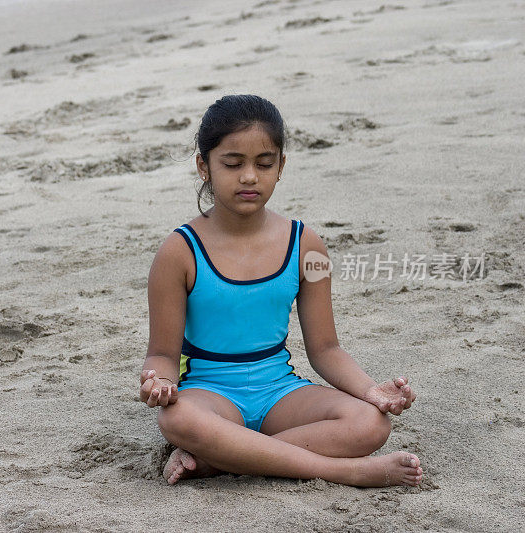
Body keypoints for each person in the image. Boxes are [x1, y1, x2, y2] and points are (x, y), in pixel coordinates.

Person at [139, 94, 423, 488]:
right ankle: (347, 471)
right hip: (209, 395)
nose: (250, 176)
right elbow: (162, 354)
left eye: (265, 163)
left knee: (370, 423)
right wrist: (161, 382)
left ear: (281, 166)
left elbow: (326, 349)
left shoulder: (308, 245)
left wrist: (370, 390)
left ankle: (220, 460)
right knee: (177, 418)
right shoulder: (179, 251)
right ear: (204, 165)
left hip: (280, 391)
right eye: (233, 164)